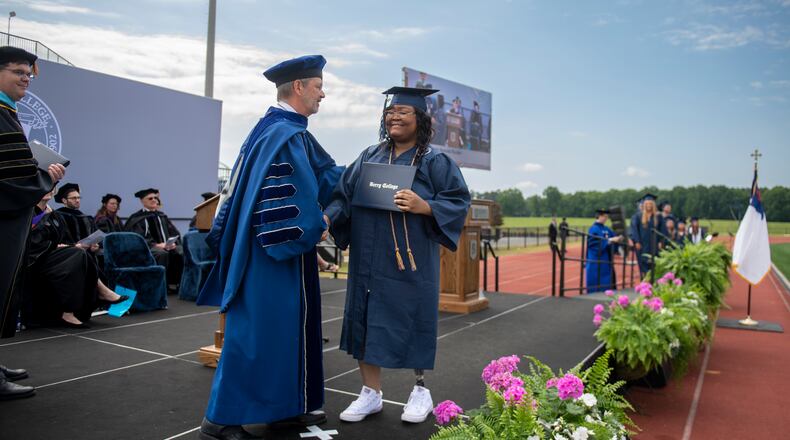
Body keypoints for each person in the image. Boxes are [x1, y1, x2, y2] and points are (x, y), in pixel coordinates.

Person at [195, 55, 343, 440]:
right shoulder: (284, 134)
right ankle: (221, 419)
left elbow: (326, 174)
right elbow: (293, 196)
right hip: (272, 250)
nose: (322, 94)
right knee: (258, 333)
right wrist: (320, 221)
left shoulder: (277, 129)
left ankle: (283, 408)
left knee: (284, 332)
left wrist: (361, 176)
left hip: (273, 248)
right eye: (318, 86)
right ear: (298, 87)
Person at [326, 86, 471, 424]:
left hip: (411, 259)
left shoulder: (434, 161)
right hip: (367, 258)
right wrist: (327, 218)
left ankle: (421, 391)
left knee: (413, 318)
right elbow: (341, 196)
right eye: (390, 113)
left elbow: (458, 200)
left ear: (420, 119)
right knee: (364, 319)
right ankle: (370, 393)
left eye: (403, 112)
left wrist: (426, 206)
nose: (394, 117)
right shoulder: (369, 157)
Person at [0, 46, 65, 400]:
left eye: (28, 71)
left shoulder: (6, 112)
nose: (26, 77)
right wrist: (44, 177)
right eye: (17, 71)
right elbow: (10, 176)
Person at [26, 191, 127, 329]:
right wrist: (56, 246)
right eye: (74, 197)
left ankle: (84, 305)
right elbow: (29, 242)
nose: (48, 188)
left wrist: (82, 246)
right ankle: (97, 295)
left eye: (79, 197)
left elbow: (62, 238)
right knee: (77, 254)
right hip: (35, 259)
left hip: (54, 256)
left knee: (80, 253)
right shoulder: (27, 212)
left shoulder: (53, 213)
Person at [125, 188, 183, 290]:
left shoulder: (162, 216)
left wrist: (173, 243)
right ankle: (160, 286)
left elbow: (174, 232)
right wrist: (155, 245)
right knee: (161, 253)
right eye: (150, 198)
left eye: (155, 198)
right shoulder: (137, 218)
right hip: (147, 248)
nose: (154, 200)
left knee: (180, 251)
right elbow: (137, 237)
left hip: (166, 245)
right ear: (142, 201)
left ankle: (179, 285)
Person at [628, 193, 665, 277]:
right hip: (642, 244)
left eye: (651, 204)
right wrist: (636, 241)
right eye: (647, 204)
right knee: (643, 263)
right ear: (644, 205)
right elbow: (634, 229)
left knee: (655, 264)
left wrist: (661, 241)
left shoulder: (658, 217)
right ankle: (645, 280)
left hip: (655, 244)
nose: (649, 205)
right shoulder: (637, 216)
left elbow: (662, 230)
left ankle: (654, 281)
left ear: (653, 205)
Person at [586, 209, 622, 293]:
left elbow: (614, 238)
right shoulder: (593, 229)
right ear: (599, 216)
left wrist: (619, 239)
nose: (606, 218)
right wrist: (610, 240)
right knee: (596, 280)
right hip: (596, 259)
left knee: (608, 280)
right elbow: (593, 244)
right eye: (604, 216)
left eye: (607, 217)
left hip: (607, 259)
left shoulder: (607, 229)